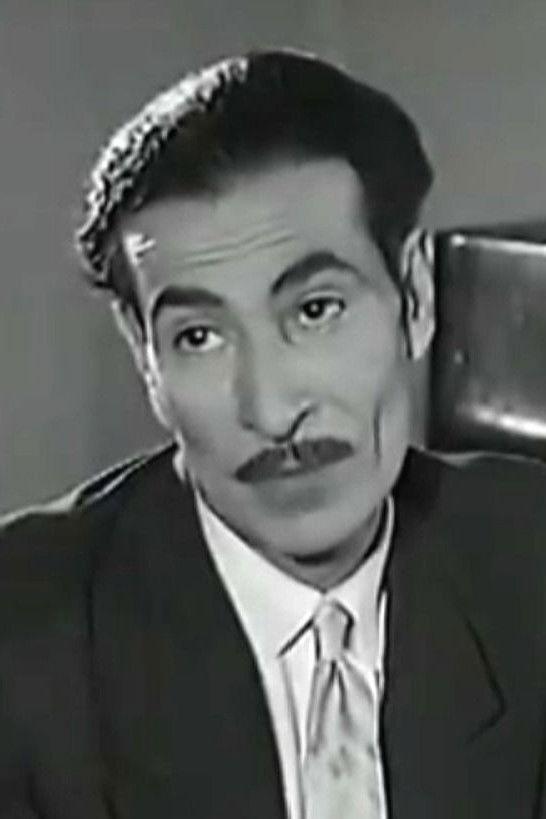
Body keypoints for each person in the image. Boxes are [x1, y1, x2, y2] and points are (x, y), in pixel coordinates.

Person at [1, 49, 545, 819]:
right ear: (144, 355)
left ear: (416, 297)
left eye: (315, 310)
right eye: (199, 337)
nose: (271, 408)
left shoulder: (530, 559)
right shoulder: (24, 639)